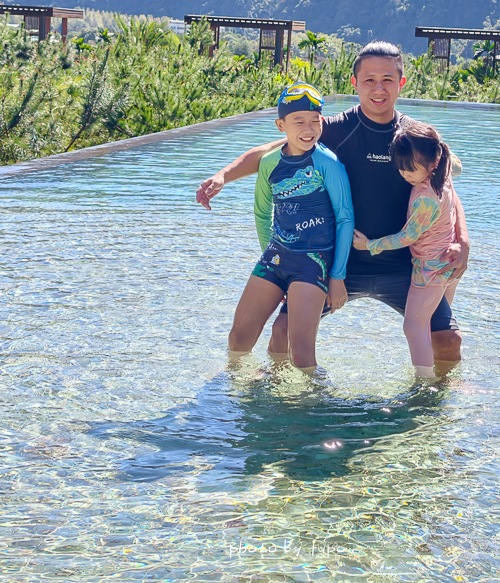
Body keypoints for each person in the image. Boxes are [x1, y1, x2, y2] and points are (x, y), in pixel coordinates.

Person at [198, 41, 470, 366]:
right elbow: (268, 153)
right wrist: (222, 177)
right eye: (369, 79)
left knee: (448, 340)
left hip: (403, 266)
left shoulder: (417, 137)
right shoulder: (333, 130)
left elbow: (446, 191)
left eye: (387, 79)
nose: (378, 88)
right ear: (354, 83)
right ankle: (283, 405)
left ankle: (432, 408)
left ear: (402, 83)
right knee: (282, 331)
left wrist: (463, 241)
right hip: (340, 265)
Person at [227, 82, 353, 372]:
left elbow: (345, 219)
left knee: (301, 352)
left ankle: (309, 408)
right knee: (238, 337)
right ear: (280, 125)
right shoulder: (270, 163)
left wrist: (337, 277)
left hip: (314, 261)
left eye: (315, 121)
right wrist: (270, 256)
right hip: (276, 257)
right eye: (299, 122)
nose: (308, 129)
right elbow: (262, 214)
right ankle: (236, 397)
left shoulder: (328, 164)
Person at [353, 122, 459, 378]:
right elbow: (457, 166)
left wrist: (370, 245)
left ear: (433, 162)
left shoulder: (425, 197)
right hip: (445, 264)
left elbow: (408, 236)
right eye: (400, 168)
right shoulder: (443, 175)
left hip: (431, 268)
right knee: (430, 324)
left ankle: (424, 382)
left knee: (414, 326)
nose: (404, 175)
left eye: (411, 169)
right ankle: (441, 376)